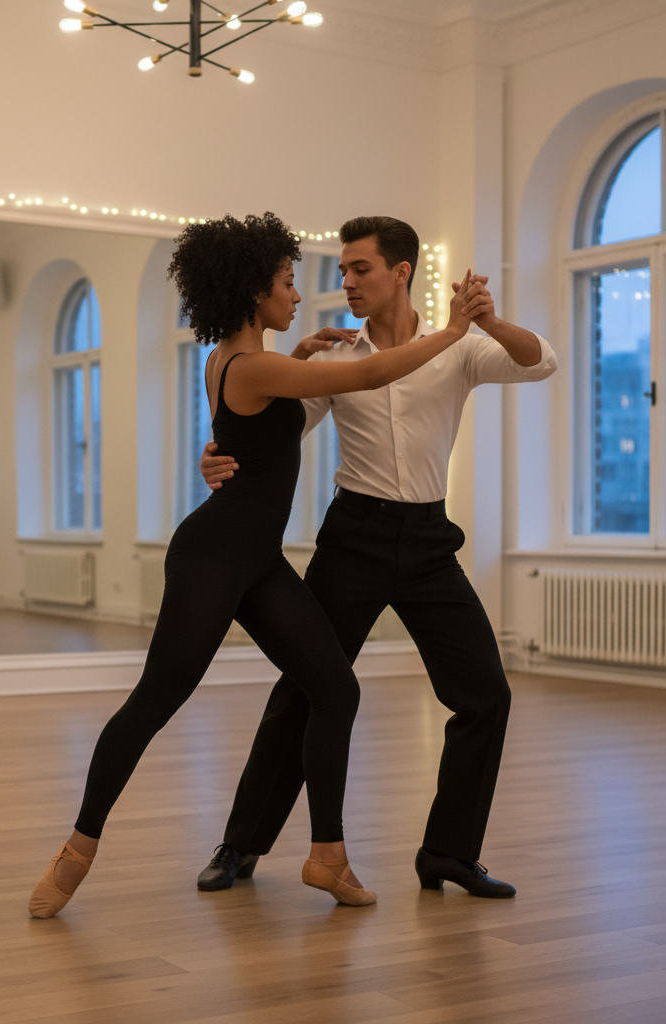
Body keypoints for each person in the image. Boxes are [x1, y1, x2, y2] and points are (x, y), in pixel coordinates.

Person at [27, 212, 488, 918]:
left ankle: (327, 855)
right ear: (252, 291)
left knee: (335, 689)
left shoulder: (230, 360)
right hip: (211, 558)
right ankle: (78, 847)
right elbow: (363, 372)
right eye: (286, 281)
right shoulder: (252, 366)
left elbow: (261, 419)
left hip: (259, 563)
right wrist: (452, 333)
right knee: (156, 700)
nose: (299, 294)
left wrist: (300, 350)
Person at [196, 216, 557, 899]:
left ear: (401, 271)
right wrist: (217, 454)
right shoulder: (334, 358)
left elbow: (542, 361)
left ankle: (448, 853)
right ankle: (240, 844)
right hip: (353, 539)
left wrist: (489, 320)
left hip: (428, 544)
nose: (347, 282)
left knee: (487, 696)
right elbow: (275, 431)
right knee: (304, 693)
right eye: (342, 270)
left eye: (360, 268)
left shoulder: (460, 350)